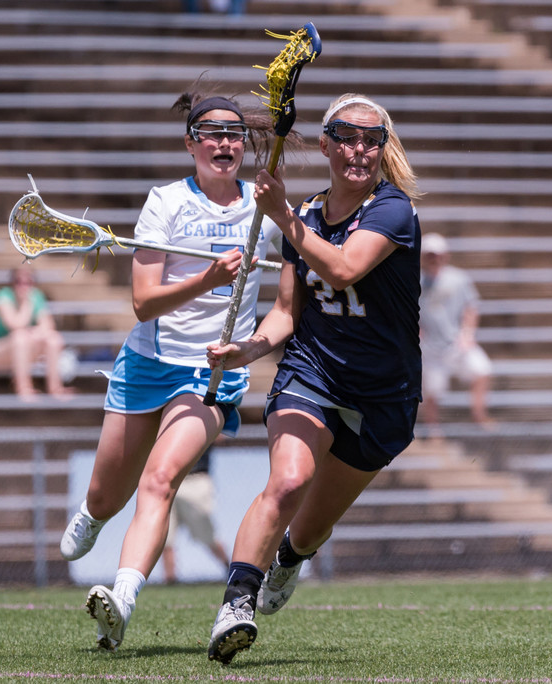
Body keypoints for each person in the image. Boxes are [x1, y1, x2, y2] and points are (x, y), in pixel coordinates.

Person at [57, 85, 284, 653]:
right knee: (107, 495)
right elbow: (143, 303)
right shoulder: (165, 203)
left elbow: (293, 291)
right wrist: (209, 279)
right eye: (212, 134)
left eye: (234, 134)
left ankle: (122, 600)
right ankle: (94, 514)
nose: (224, 143)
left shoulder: (265, 210)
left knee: (160, 480)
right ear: (191, 143)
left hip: (209, 375)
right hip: (147, 362)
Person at [204, 93, 423, 664]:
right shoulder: (303, 213)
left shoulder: (393, 211)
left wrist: (282, 218)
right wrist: (248, 349)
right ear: (325, 145)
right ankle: (236, 604)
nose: (359, 150)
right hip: (313, 371)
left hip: (384, 393)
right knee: (288, 482)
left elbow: (344, 267)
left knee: (308, 529)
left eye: (371, 140)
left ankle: (291, 557)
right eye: (347, 138)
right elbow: (286, 312)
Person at [419, 232, 494, 431]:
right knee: (432, 392)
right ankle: (434, 431)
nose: (434, 259)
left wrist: (467, 333)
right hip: (430, 347)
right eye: (430, 255)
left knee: (482, 370)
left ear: (445, 255)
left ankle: (479, 416)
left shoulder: (458, 278)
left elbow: (471, 307)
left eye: (437, 255)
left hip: (456, 341)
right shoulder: (415, 281)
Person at [0, 265, 73, 402]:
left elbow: (48, 325)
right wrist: (27, 303)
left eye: (28, 281)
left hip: (26, 347)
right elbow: (15, 324)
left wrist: (35, 333)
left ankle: (55, 389)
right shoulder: (3, 296)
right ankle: (23, 389)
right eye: (19, 281)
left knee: (53, 339)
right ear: (12, 282)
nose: (24, 286)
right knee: (20, 337)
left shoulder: (37, 296)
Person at [160, 444, 230, 584]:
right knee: (164, 537)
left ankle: (232, 571)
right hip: (167, 481)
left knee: (208, 536)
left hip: (196, 480)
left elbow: (221, 436)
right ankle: (170, 581)